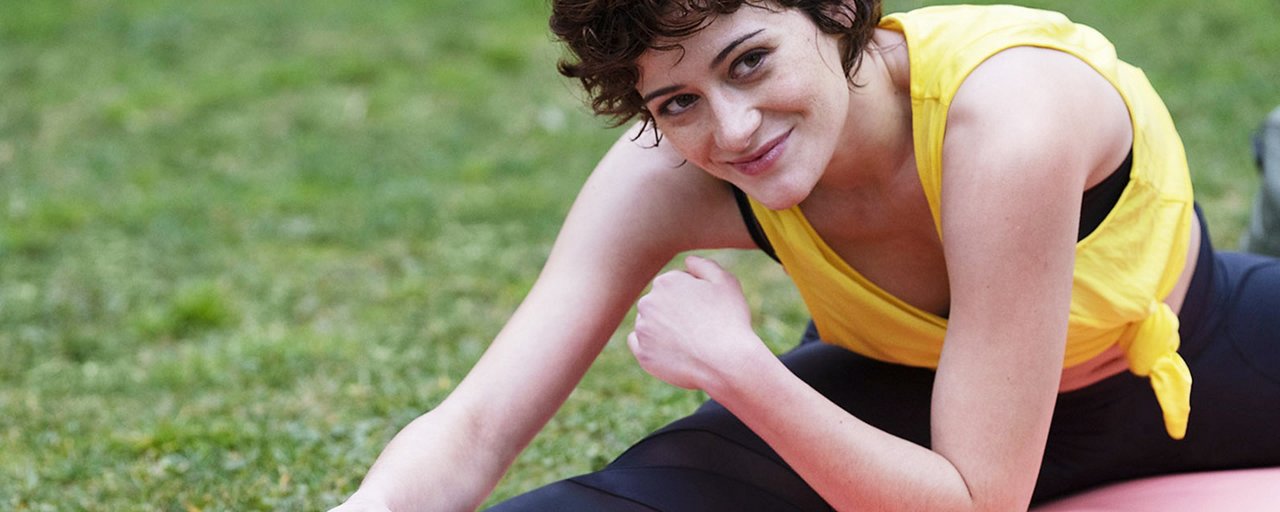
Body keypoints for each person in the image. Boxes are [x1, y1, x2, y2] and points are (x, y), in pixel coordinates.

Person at [331, 2, 1280, 510]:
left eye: (749, 60)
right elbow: (476, 427)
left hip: (1205, 362)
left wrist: (740, 370)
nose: (732, 129)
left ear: (835, 10)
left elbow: (975, 504)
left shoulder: (1007, 116)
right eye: (676, 101)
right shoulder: (670, 172)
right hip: (909, 398)